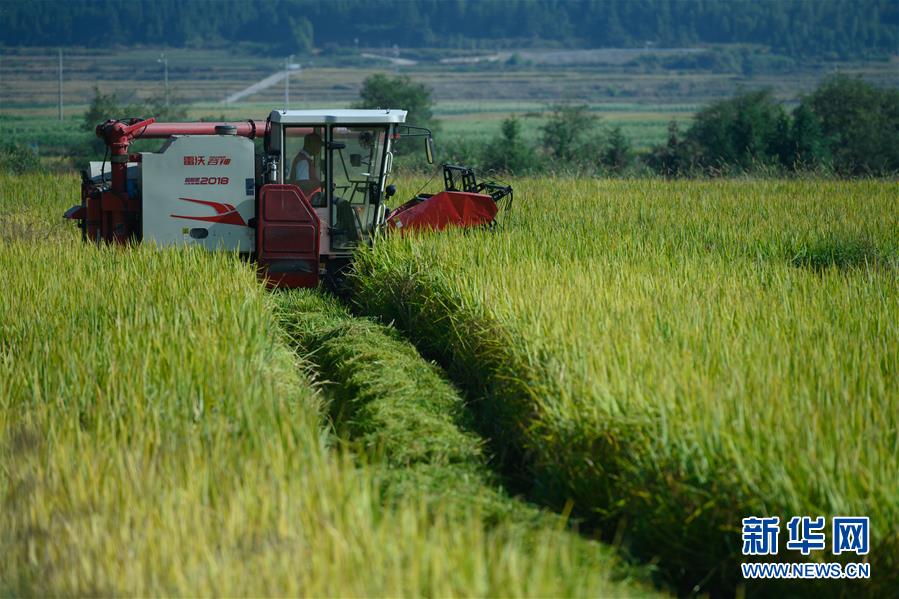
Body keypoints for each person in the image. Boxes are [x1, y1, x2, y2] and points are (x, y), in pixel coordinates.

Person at [289, 132, 324, 206]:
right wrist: (321, 184)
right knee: (342, 204)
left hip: (311, 199)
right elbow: (302, 184)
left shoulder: (305, 159)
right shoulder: (303, 161)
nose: (319, 148)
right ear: (310, 143)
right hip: (307, 201)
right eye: (318, 145)